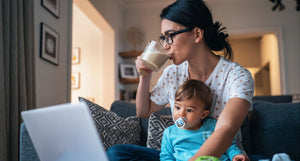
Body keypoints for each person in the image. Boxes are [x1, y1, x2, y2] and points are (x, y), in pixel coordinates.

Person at [107, 0, 254, 160]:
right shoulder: (173, 73)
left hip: (221, 156)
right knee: (117, 153)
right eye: (163, 38)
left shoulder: (238, 76)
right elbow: (143, 112)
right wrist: (145, 75)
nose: (164, 46)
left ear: (197, 34)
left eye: (170, 36)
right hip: (179, 156)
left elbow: (225, 129)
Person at [160, 79, 249, 161]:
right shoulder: (170, 133)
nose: (181, 114)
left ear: (203, 114)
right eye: (177, 107)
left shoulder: (214, 126)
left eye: (189, 110)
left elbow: (228, 145)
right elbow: (166, 157)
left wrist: (236, 155)